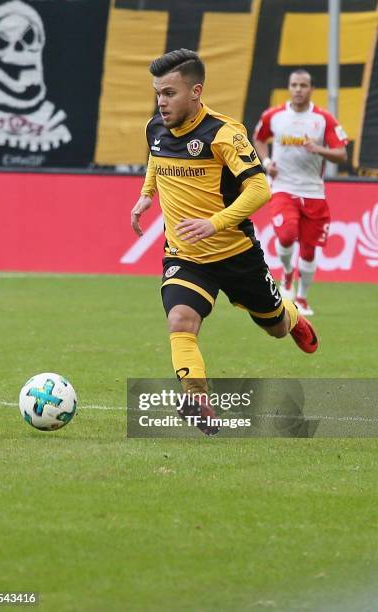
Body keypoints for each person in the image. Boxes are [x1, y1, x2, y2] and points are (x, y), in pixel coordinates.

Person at [131, 49, 318, 436]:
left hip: (235, 252)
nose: (161, 103)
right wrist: (147, 193)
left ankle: (292, 314)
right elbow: (155, 156)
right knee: (181, 319)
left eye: (169, 93)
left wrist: (215, 223)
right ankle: (197, 397)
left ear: (195, 92)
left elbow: (259, 188)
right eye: (157, 94)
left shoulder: (223, 133)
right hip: (185, 254)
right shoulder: (156, 127)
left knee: (276, 328)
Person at [253, 69, 348, 315]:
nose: (297, 89)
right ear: (289, 87)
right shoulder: (274, 116)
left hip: (314, 192)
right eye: (294, 85)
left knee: (308, 248)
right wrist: (266, 163)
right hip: (283, 187)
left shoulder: (323, 119)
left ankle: (303, 298)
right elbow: (259, 139)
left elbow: (341, 154)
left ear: (311, 89)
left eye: (303, 85)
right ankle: (286, 276)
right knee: (285, 235)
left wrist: (317, 148)